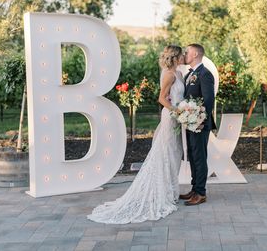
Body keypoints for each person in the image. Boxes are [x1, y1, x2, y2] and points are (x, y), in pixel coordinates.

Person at [87, 45, 185, 224]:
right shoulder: (169, 75)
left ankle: (172, 190)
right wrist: (177, 111)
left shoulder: (179, 74)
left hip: (178, 117)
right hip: (171, 117)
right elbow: (162, 98)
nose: (184, 56)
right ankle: (166, 193)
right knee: (169, 153)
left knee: (176, 153)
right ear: (175, 57)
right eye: (181, 54)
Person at [180, 43, 216, 206]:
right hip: (190, 122)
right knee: (194, 157)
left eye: (187, 52)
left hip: (200, 124)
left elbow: (208, 101)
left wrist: (200, 121)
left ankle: (201, 193)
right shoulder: (191, 74)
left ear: (195, 54)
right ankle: (195, 189)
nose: (185, 54)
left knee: (200, 158)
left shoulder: (205, 74)